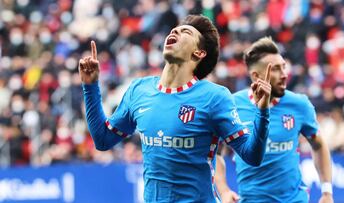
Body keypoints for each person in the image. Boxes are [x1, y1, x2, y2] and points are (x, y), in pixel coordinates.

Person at [79, 15, 272, 202]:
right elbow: (103, 139)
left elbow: (252, 155)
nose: (175, 31)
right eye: (174, 30)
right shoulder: (139, 90)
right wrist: (90, 86)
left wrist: (262, 112)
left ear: (199, 53)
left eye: (185, 32)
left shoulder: (214, 97)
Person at [215, 37, 333, 203]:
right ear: (256, 76)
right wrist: (224, 190)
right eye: (276, 69)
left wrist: (327, 191)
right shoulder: (232, 105)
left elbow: (319, 144)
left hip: (295, 199)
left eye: (284, 67)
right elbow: (215, 152)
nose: (284, 74)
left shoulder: (299, 104)